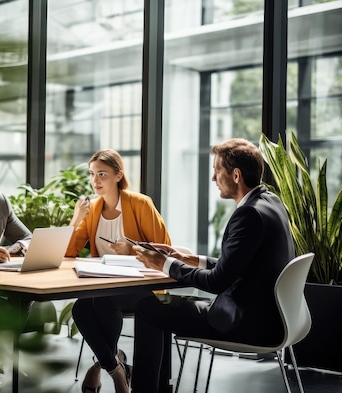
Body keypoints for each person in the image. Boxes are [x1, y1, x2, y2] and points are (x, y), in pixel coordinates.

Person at [131, 138, 295, 393]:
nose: (212, 178)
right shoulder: (270, 201)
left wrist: (165, 264)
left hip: (244, 323)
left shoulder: (248, 214)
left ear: (236, 175)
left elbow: (217, 282)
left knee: (148, 306)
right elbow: (243, 264)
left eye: (217, 170)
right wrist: (188, 259)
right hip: (271, 317)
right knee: (160, 307)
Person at [66, 149, 171, 393]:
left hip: (143, 287)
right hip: (105, 286)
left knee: (102, 303)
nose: (95, 181)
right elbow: (69, 251)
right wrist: (76, 218)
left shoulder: (140, 204)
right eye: (92, 174)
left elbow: (164, 250)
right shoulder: (92, 210)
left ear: (118, 175)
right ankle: (116, 371)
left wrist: (132, 248)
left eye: (102, 174)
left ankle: (99, 365)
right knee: (81, 308)